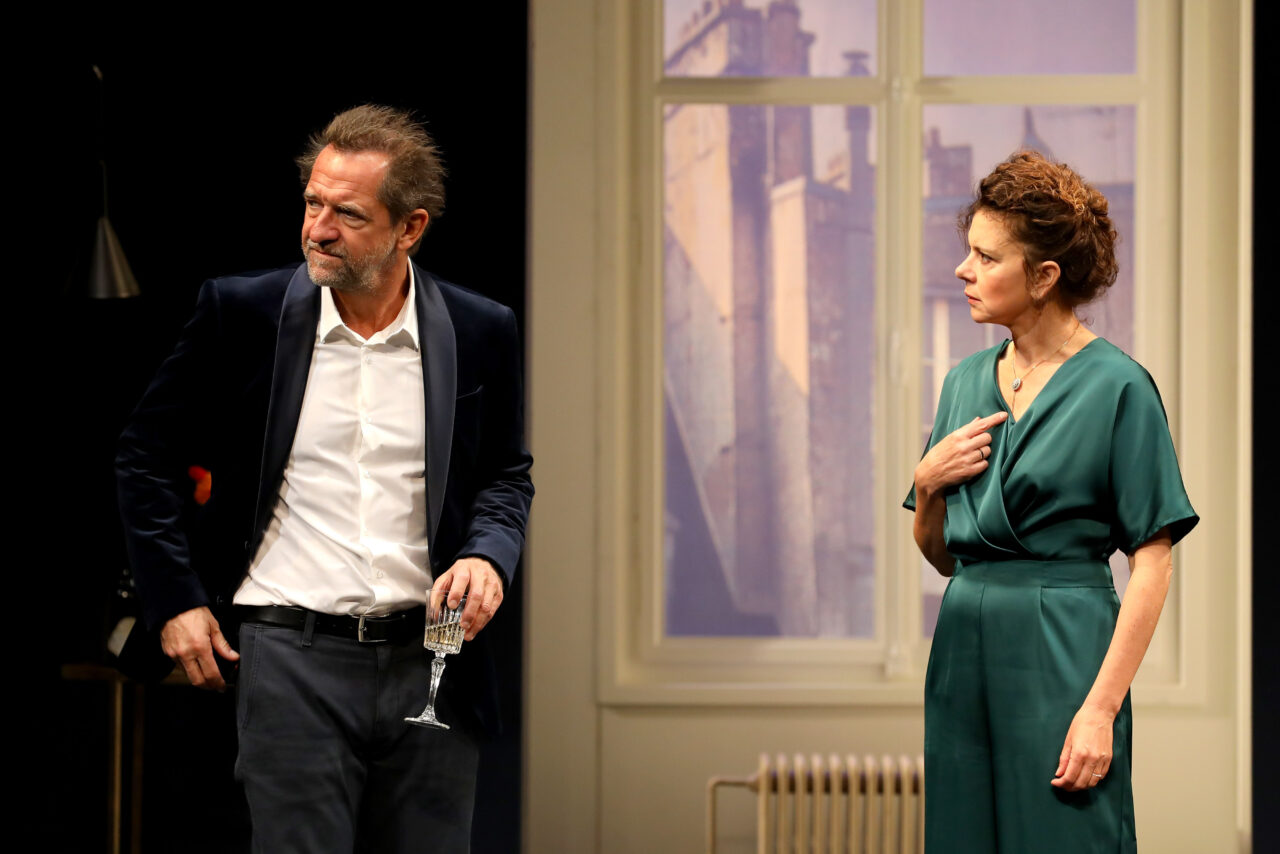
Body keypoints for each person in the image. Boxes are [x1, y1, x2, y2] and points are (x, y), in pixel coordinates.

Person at [116, 104, 534, 853]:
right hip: (290, 653)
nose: (318, 229)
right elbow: (145, 454)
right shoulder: (241, 312)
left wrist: (488, 556)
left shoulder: (480, 329)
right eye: (312, 203)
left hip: (434, 660)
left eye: (348, 213)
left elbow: (506, 475)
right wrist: (173, 598)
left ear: (410, 228)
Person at [904, 151, 1196, 853]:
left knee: (1066, 835)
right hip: (963, 652)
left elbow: (1153, 563)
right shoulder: (962, 382)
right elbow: (943, 558)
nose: (962, 271)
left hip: (1064, 651)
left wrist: (1101, 709)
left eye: (985, 257)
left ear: (1044, 277)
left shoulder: (1119, 386)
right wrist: (927, 483)